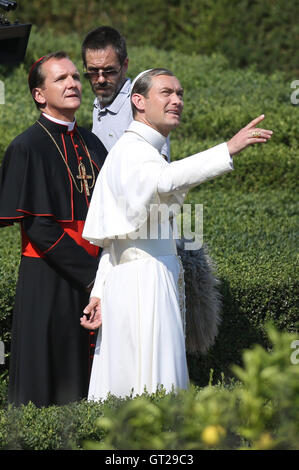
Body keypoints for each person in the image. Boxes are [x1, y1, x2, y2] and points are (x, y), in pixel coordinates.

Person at [80, 68, 273, 401]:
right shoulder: (135, 149)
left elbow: (114, 241)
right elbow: (166, 180)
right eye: (166, 93)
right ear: (138, 101)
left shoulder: (138, 149)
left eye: (180, 93)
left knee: (134, 384)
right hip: (145, 283)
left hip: (137, 279)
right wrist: (227, 150)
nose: (177, 100)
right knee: (153, 390)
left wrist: (98, 291)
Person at [0, 51, 107, 407]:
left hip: (94, 276)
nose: (74, 84)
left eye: (76, 77)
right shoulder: (26, 146)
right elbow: (39, 229)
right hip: (49, 276)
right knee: (47, 378)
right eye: (61, 79)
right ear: (39, 94)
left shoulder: (92, 144)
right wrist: (92, 275)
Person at [81, 26, 170, 160]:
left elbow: (156, 169)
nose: (100, 79)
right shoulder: (100, 103)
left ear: (125, 65)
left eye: (109, 70)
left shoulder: (142, 106)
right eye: (93, 71)